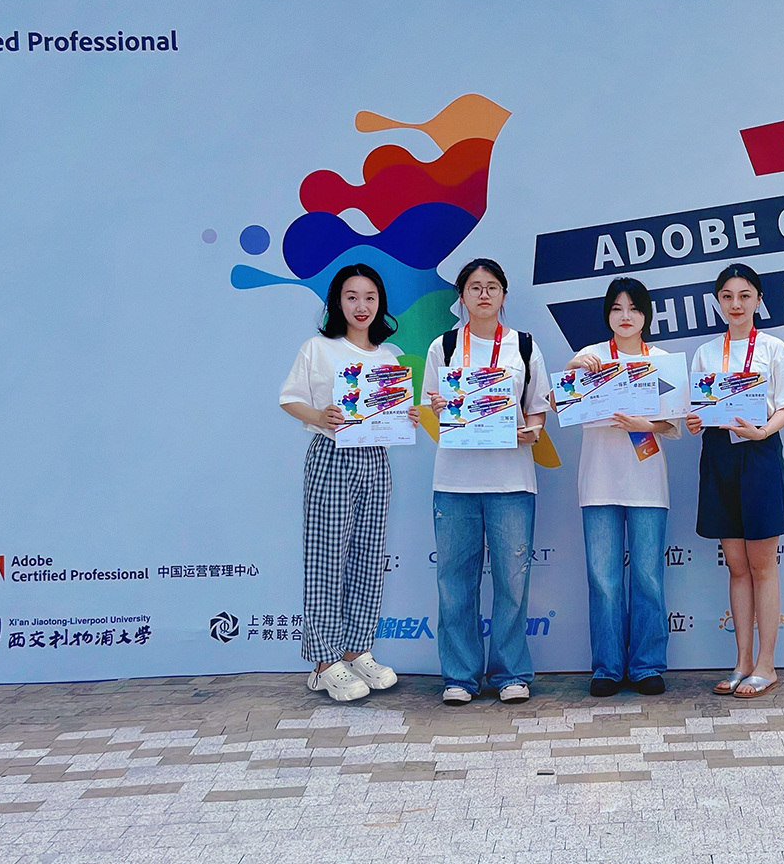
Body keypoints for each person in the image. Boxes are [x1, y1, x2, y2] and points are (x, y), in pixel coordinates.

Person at [278, 263, 421, 702]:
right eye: (352, 296)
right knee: (326, 558)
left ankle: (358, 650)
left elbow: (391, 417)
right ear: (337, 302)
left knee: (368, 557)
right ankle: (324, 663)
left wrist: (407, 416)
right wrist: (319, 416)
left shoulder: (389, 356)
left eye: (370, 297)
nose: (362, 306)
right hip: (332, 456)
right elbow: (290, 398)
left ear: (380, 303)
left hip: (376, 460)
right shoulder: (318, 348)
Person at [424, 258, 552, 705]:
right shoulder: (443, 347)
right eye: (475, 287)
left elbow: (538, 407)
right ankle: (460, 677)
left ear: (503, 294)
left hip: (511, 480)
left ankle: (510, 673)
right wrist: (440, 406)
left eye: (492, 286)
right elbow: (433, 404)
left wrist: (532, 431)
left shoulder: (524, 347)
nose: (483, 294)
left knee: (512, 583)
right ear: (461, 296)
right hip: (454, 481)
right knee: (454, 582)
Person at [686, 263, 784, 699]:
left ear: (758, 300)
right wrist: (696, 420)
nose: (735, 304)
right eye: (727, 296)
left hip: (759, 455)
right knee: (736, 566)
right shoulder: (705, 353)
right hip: (719, 456)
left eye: (744, 296)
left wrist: (764, 431)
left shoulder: (773, 348)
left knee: (762, 565)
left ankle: (766, 665)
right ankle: (741, 662)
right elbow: (697, 408)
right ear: (718, 302)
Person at [564, 277, 680, 697]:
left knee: (647, 577)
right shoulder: (591, 355)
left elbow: (674, 422)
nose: (625, 316)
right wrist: (573, 372)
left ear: (646, 314)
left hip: (647, 483)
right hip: (598, 482)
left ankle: (647, 665)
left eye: (633, 308)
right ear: (607, 315)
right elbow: (564, 403)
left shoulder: (662, 361)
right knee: (604, 579)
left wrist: (644, 423)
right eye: (616, 308)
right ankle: (608, 668)